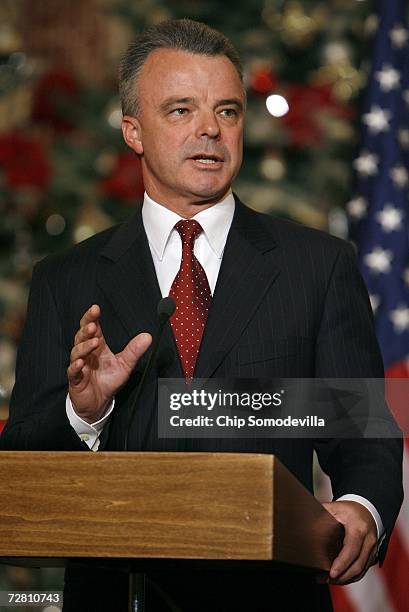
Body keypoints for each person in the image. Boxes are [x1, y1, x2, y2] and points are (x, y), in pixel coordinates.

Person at [0, 18, 403, 612]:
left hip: (269, 598)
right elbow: (24, 473)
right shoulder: (67, 280)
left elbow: (363, 436)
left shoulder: (317, 267)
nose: (210, 130)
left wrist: (361, 509)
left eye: (228, 111)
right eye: (181, 110)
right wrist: (84, 414)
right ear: (133, 131)